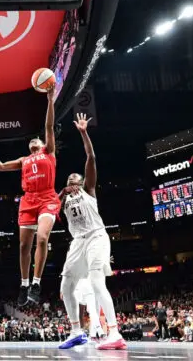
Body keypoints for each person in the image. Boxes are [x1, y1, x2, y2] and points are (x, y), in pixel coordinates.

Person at [0, 88, 59, 306]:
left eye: (37, 140)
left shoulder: (48, 151)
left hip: (47, 197)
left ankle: (36, 283)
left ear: (42, 145)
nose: (34, 141)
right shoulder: (23, 159)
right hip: (28, 200)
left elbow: (48, 126)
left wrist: (50, 101)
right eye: (32, 141)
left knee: (42, 238)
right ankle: (24, 284)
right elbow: (1, 167)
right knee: (23, 247)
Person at [58, 113, 126, 350]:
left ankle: (114, 333)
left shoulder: (88, 189)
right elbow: (49, 212)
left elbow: (91, 157)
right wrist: (60, 194)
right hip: (77, 241)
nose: (73, 183)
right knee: (66, 285)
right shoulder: (63, 199)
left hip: (97, 236)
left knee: (97, 282)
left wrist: (84, 132)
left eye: (76, 180)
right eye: (70, 181)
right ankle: (76, 331)